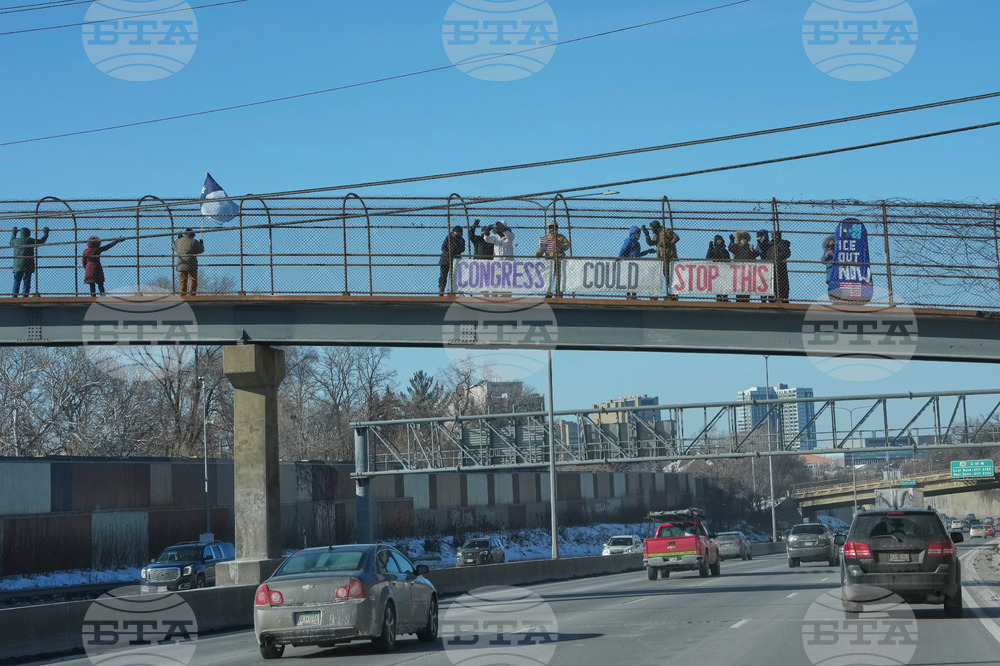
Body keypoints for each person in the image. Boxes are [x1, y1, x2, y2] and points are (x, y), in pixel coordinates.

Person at [643, 220, 680, 300]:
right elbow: (651, 243)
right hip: (662, 258)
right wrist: (646, 235)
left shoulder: (665, 231)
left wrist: (669, 244)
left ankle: (673, 294)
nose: (652, 230)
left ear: (656, 227)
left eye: (652, 228)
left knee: (672, 277)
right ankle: (669, 293)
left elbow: (676, 237)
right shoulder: (657, 235)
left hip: (670, 257)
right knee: (666, 276)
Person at [10, 226, 49, 297]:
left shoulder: (16, 241)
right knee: (26, 281)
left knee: (17, 281)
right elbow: (41, 241)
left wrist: (13, 234)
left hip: (17, 265)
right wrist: (45, 234)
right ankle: (25, 295)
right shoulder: (30, 240)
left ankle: (14, 295)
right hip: (28, 265)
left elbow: (11, 242)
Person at [534, 221, 570, 297]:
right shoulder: (546, 238)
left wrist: (561, 245)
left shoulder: (561, 237)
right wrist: (539, 253)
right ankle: (548, 293)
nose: (552, 229)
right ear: (548, 228)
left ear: (557, 228)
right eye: (551, 227)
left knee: (559, 277)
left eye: (554, 227)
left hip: (560, 259)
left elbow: (567, 245)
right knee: (549, 277)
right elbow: (542, 248)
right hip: (549, 260)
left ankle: (558, 293)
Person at [618, 226, 655, 298]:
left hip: (635, 263)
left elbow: (638, 254)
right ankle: (629, 295)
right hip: (629, 262)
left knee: (634, 279)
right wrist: (619, 257)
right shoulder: (629, 240)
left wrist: (647, 251)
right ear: (634, 233)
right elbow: (623, 249)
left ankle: (634, 295)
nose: (639, 235)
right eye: (638, 233)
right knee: (629, 279)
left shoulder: (637, 243)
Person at [172, 229, 205, 297]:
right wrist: (201, 243)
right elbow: (200, 250)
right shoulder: (194, 241)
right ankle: (192, 295)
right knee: (192, 280)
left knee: (182, 281)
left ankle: (182, 295)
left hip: (181, 263)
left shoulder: (179, 241)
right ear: (192, 235)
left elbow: (174, 247)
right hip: (191, 264)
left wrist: (178, 238)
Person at [437, 225, 466, 296]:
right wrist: (448, 253)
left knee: (455, 277)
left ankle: (454, 292)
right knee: (443, 276)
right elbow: (443, 247)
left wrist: (454, 252)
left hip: (455, 260)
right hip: (445, 260)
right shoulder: (449, 237)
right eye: (456, 232)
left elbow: (462, 249)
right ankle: (441, 290)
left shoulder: (461, 240)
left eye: (458, 232)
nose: (457, 233)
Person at [728, 231, 755, 303]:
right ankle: (739, 300)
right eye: (742, 238)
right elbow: (730, 248)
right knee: (739, 288)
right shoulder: (736, 246)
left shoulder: (749, 246)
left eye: (745, 238)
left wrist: (752, 250)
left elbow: (754, 257)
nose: (744, 240)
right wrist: (731, 241)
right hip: (738, 271)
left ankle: (746, 300)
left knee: (747, 288)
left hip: (747, 270)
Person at [768, 231, 792, 303]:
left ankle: (784, 302)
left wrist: (777, 255)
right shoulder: (770, 245)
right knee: (772, 289)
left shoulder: (782, 244)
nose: (774, 237)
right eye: (773, 235)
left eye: (776, 235)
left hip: (780, 269)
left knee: (783, 290)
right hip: (771, 269)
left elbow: (787, 254)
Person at [706, 234, 731, 302]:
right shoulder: (713, 250)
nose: (719, 241)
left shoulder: (724, 250)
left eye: (720, 240)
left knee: (725, 283)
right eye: (717, 240)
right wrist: (710, 248)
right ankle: (719, 297)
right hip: (716, 270)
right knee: (717, 283)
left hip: (724, 269)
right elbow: (708, 257)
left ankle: (725, 297)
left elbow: (729, 260)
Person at [754, 230, 773, 303]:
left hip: (770, 266)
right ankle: (763, 298)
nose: (758, 238)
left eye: (760, 236)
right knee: (763, 282)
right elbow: (755, 254)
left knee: (770, 282)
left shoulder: (769, 244)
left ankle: (771, 298)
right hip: (763, 267)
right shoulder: (759, 245)